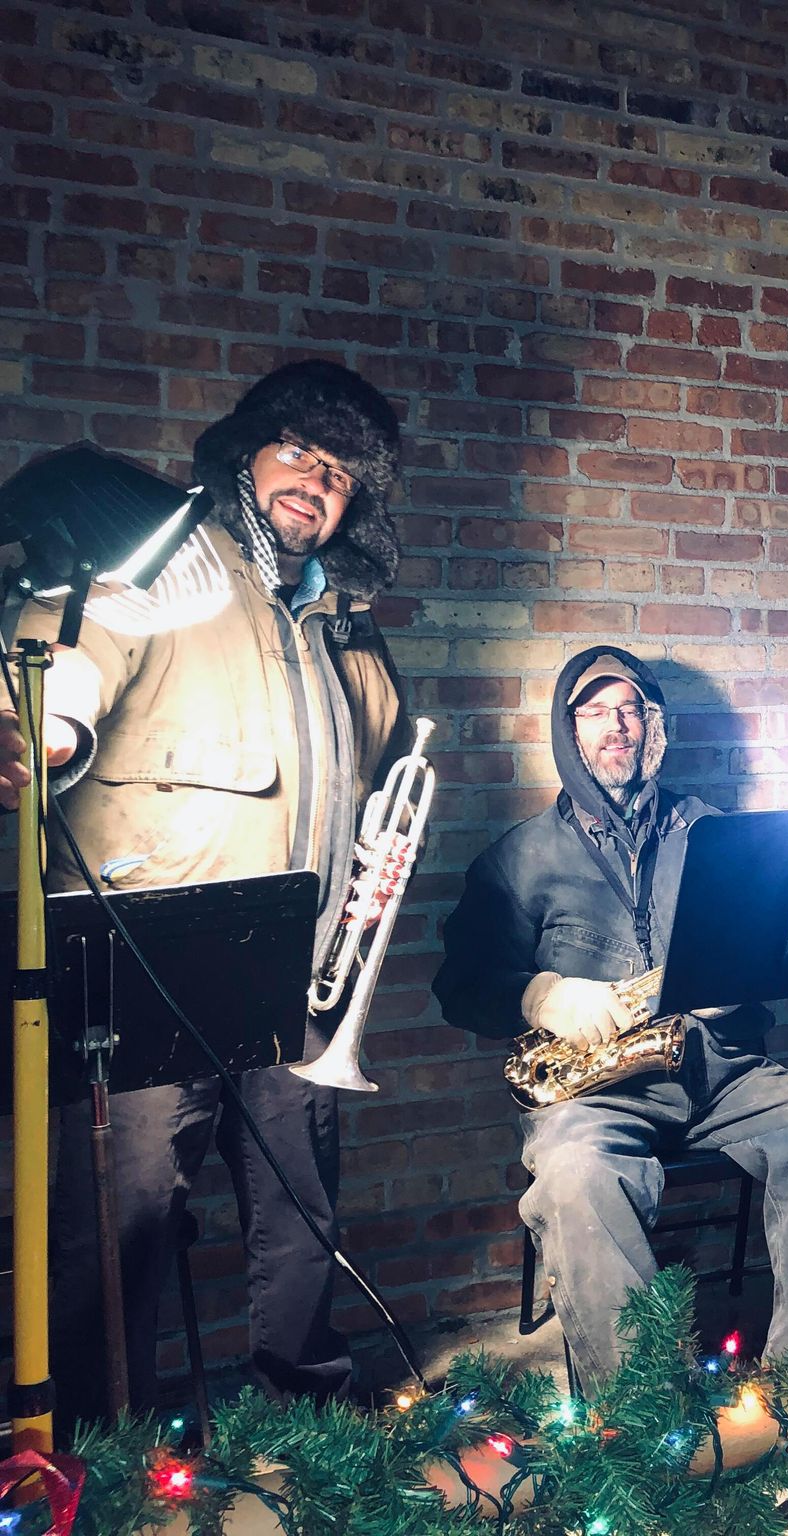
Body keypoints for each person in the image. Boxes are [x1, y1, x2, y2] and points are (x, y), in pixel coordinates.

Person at [0, 361, 409, 1432]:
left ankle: (308, 1425)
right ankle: (96, 1447)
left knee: (301, 1215)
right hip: (146, 977)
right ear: (244, 452)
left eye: (339, 474)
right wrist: (33, 732)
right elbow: (63, 665)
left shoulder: (348, 629)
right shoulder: (163, 569)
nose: (314, 483)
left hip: (294, 982)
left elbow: (377, 779)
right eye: (297, 453)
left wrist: (378, 864)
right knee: (115, 1225)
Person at [433, 645, 788, 1387]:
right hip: (596, 1091)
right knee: (576, 1175)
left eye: (632, 709)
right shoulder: (517, 860)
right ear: (568, 731)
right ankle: (647, 1413)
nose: (618, 726)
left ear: (654, 725)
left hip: (720, 1068)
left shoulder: (715, 832)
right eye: (598, 711)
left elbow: (780, 944)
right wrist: (541, 994)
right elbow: (460, 985)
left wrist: (740, 976)